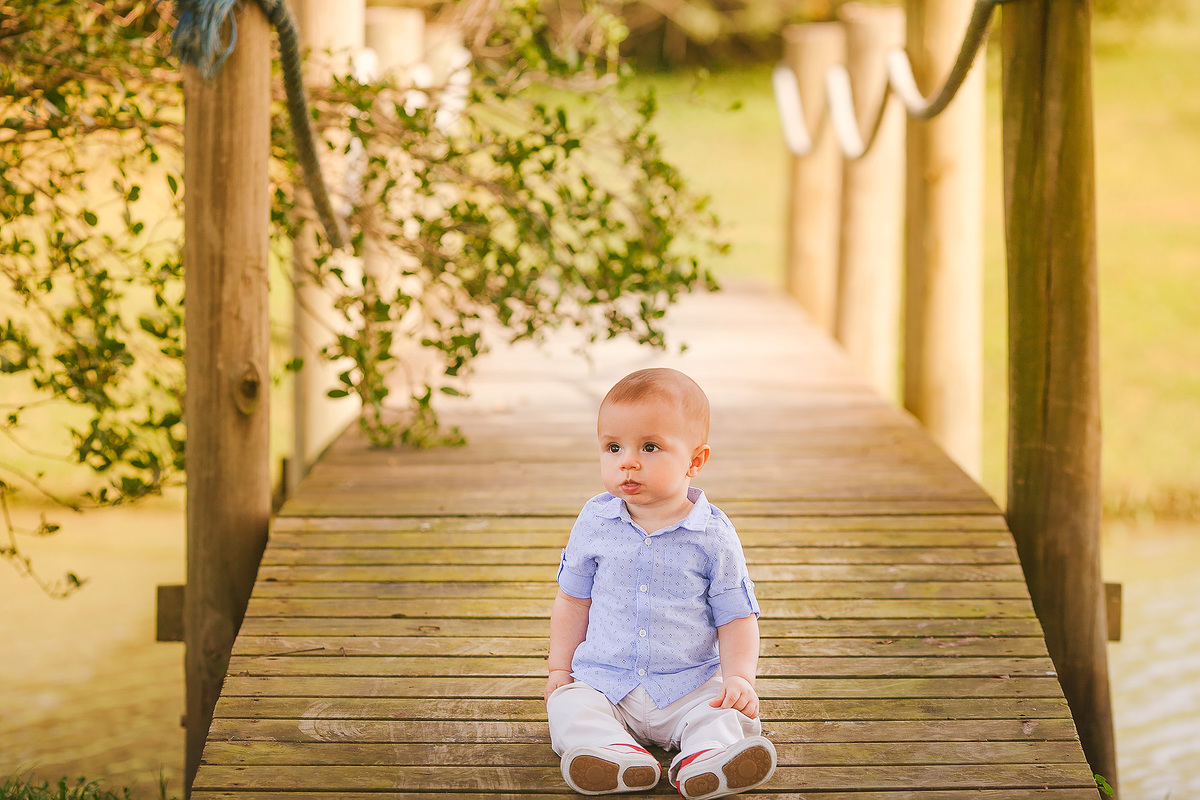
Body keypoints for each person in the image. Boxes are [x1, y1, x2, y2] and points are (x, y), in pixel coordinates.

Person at [544, 367, 776, 798]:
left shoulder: (713, 536)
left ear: (696, 460)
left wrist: (740, 678)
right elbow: (573, 600)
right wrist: (561, 668)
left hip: (687, 684)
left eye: (650, 447)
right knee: (570, 705)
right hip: (606, 681)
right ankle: (614, 754)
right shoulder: (594, 522)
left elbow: (736, 615)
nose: (627, 461)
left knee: (722, 714)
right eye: (613, 447)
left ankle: (705, 760)